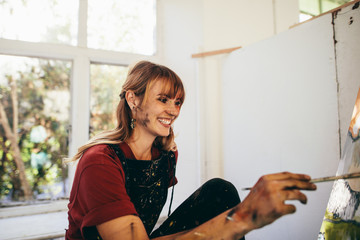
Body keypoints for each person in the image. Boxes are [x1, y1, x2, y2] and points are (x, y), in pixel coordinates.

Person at [65, 60, 317, 240]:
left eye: (177, 102)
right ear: (133, 99)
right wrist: (243, 217)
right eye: (163, 100)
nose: (173, 111)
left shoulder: (165, 155)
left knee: (220, 190)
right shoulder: (99, 161)